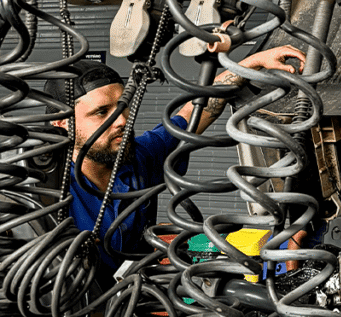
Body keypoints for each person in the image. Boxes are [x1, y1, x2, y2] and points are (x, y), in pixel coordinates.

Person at [46, 45, 305, 285]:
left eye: (123, 108)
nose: (122, 121)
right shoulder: (46, 194)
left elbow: (196, 111)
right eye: (102, 112)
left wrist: (252, 63)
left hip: (139, 296)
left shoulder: (141, 155)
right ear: (61, 122)